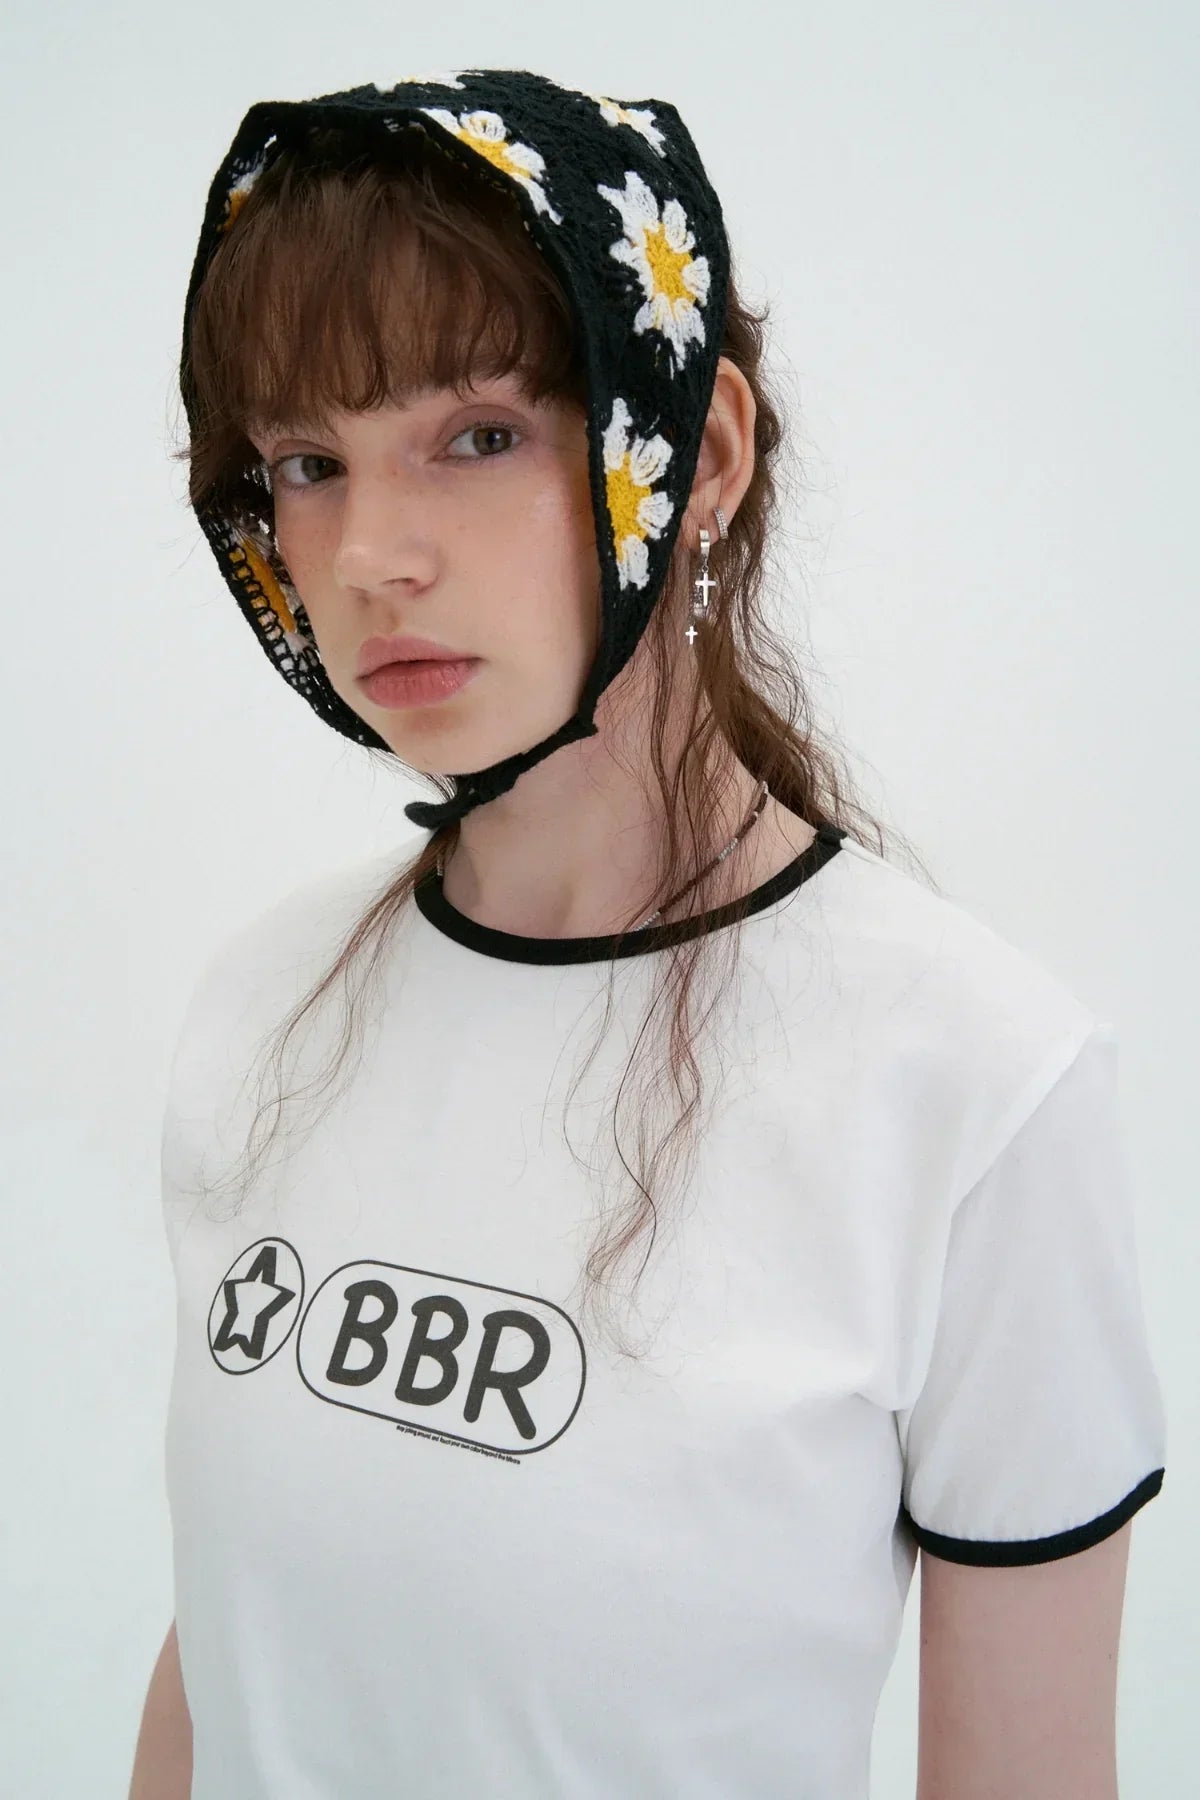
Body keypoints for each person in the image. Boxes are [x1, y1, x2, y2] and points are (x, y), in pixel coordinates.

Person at [130, 69, 1167, 1800]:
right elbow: (233, 1652)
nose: (370, 552)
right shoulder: (266, 1003)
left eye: (478, 434)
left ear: (704, 454)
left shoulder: (974, 1085)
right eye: (307, 463)